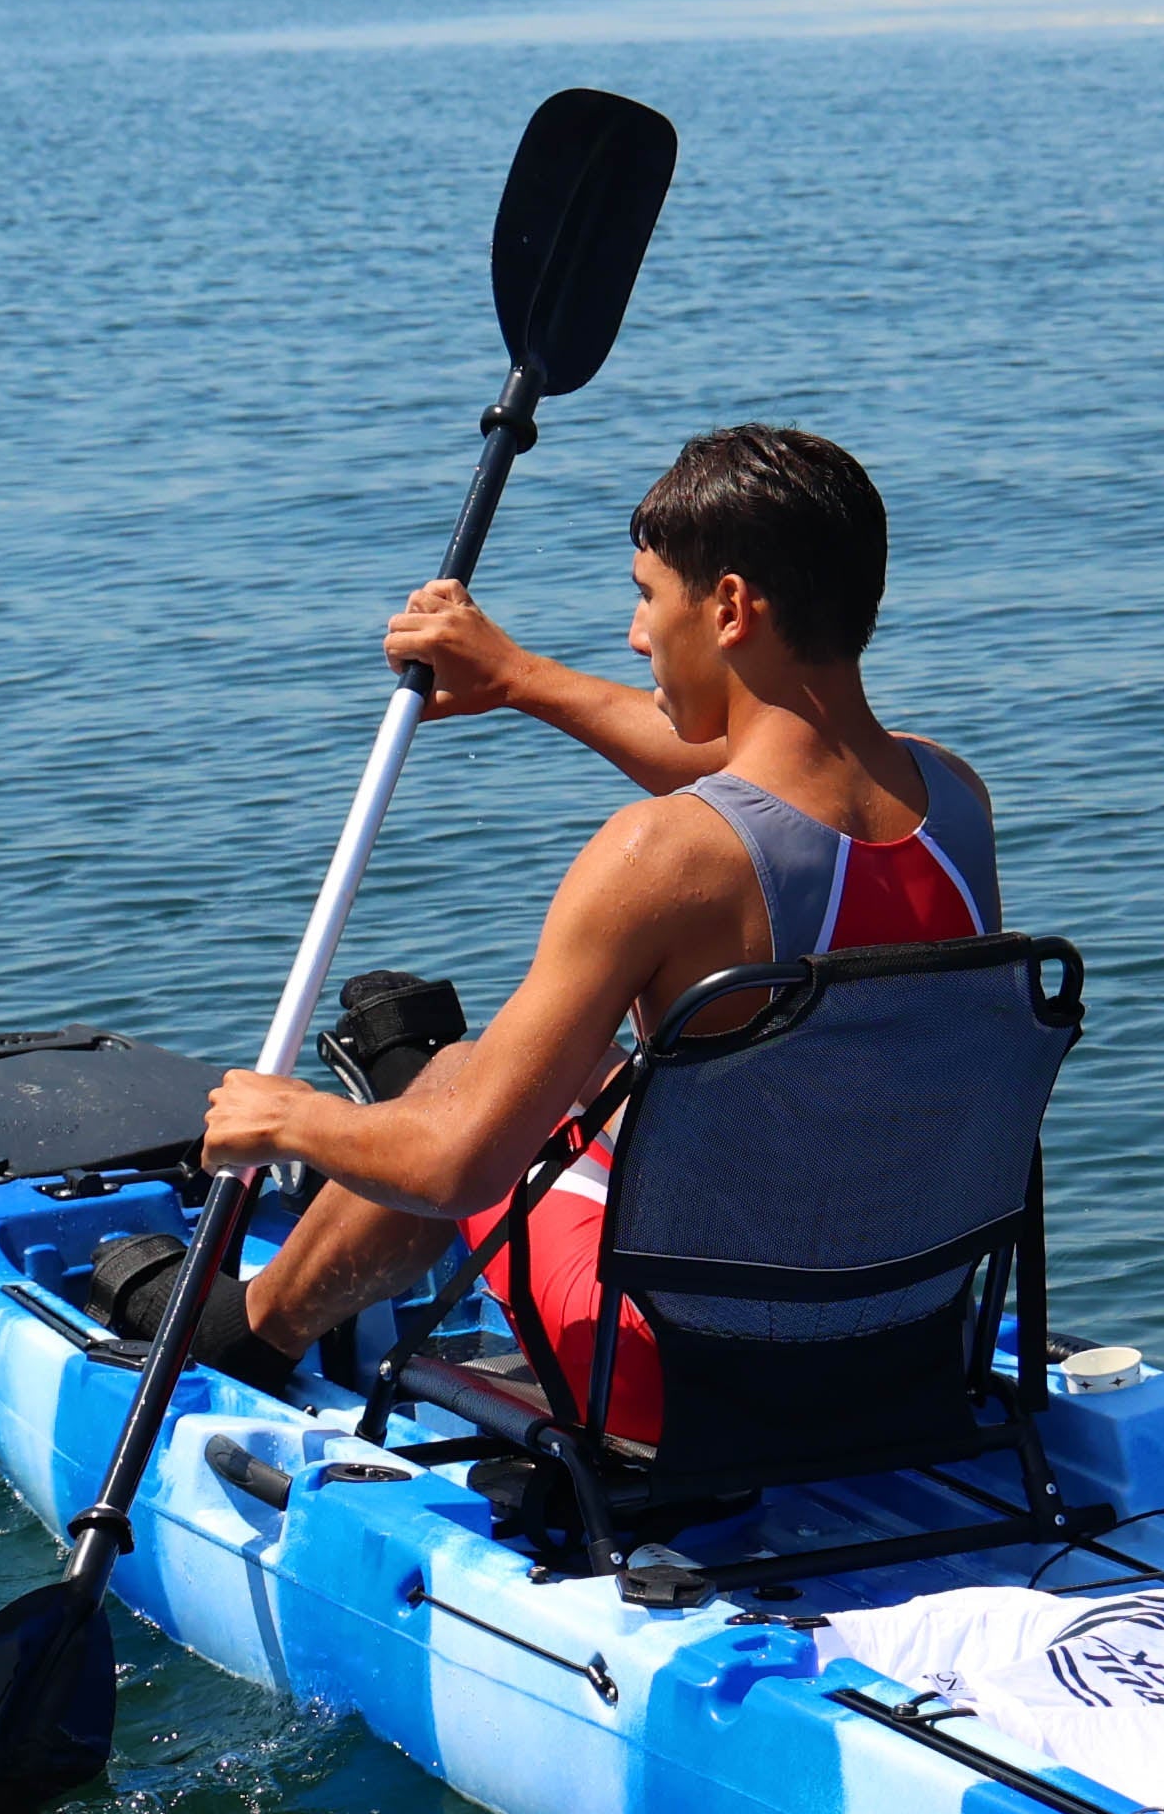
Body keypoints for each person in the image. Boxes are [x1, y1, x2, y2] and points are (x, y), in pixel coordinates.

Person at [194, 423, 1001, 1435]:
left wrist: (280, 1118)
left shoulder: (659, 858)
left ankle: (245, 1335)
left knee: (456, 1089)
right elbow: (758, 785)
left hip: (690, 1389)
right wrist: (517, 677)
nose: (633, 633)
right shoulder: (953, 803)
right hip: (910, 1349)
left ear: (732, 608)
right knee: (588, 1075)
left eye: (647, 596)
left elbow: (460, 1167)